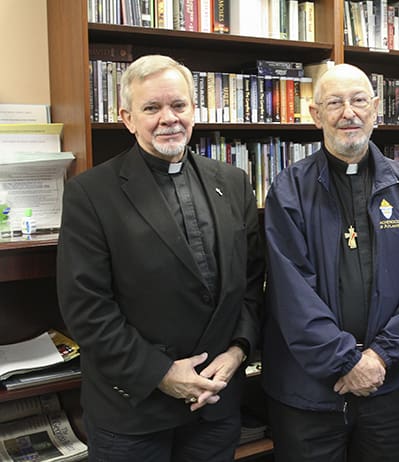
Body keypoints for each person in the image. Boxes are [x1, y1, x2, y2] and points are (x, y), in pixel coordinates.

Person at [56, 54, 264, 461]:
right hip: (133, 413)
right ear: (127, 118)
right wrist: (163, 374)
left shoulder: (234, 183)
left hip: (215, 405)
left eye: (178, 105)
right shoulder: (91, 194)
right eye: (151, 108)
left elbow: (251, 282)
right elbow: (86, 308)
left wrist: (238, 350)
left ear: (193, 110)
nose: (168, 118)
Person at [261, 63, 399, 462]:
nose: (349, 113)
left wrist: (379, 358)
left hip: (387, 388)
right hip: (308, 394)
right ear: (315, 115)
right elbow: (292, 293)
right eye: (335, 103)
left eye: (359, 101)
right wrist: (346, 361)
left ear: (376, 109)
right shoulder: (289, 189)